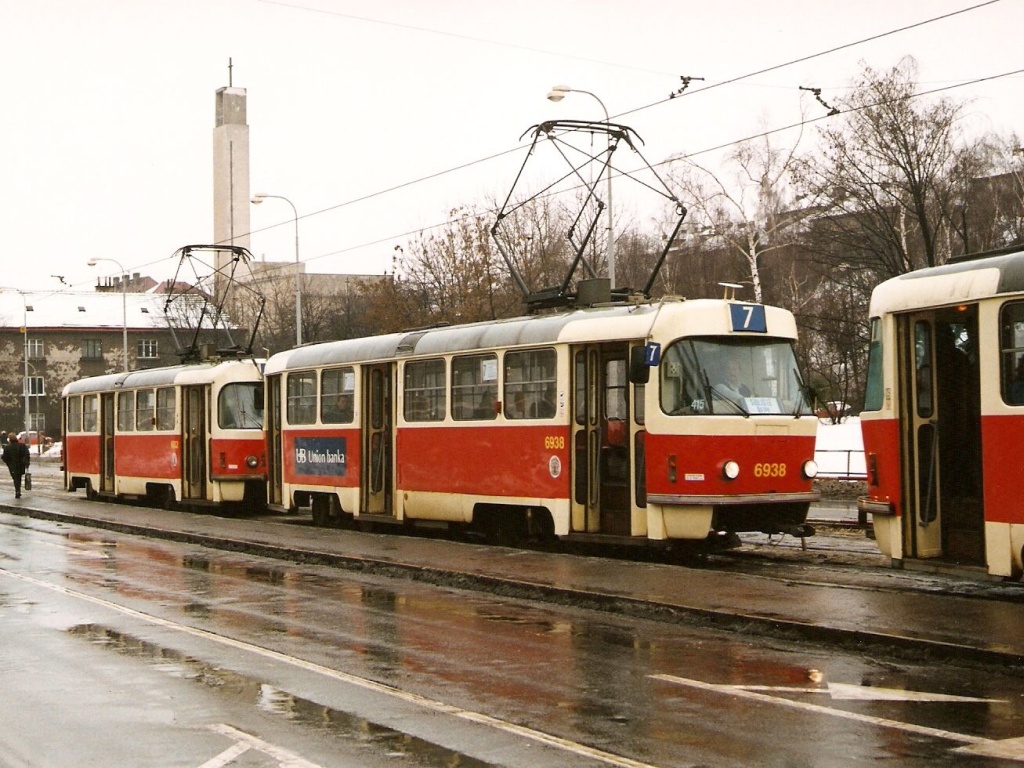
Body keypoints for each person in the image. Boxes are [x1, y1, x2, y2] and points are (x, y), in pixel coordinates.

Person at [2, 433, 31, 498]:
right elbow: (27, 454)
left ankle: (17, 491)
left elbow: (4, 457)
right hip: (21, 465)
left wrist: (8, 463)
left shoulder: (7, 447)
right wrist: (26, 463)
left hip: (12, 466)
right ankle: (18, 490)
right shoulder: (22, 446)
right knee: (18, 477)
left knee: (15, 478)